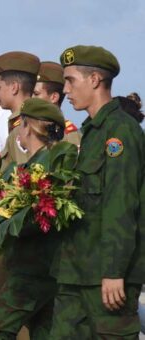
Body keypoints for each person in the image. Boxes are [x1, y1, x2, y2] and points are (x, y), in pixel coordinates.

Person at [50, 45, 144, 339]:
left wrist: (114, 271)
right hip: (76, 271)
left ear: (94, 80)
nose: (65, 90)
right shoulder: (91, 131)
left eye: (70, 80)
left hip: (104, 274)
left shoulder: (119, 132)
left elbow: (121, 204)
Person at [0, 98, 76, 339]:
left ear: (29, 126)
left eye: (19, 124)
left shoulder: (46, 164)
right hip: (44, 267)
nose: (16, 130)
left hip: (32, 269)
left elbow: (38, 215)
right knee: (43, 332)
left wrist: (0, 221)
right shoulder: (37, 163)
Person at [0, 51, 40, 340]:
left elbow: (26, 180)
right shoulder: (15, 123)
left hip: (12, 228)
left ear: (12, 87)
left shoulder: (25, 126)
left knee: (3, 306)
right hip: (5, 223)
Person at [32, 61, 81, 147]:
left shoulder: (70, 137)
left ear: (54, 97)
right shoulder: (25, 133)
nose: (30, 98)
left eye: (36, 94)